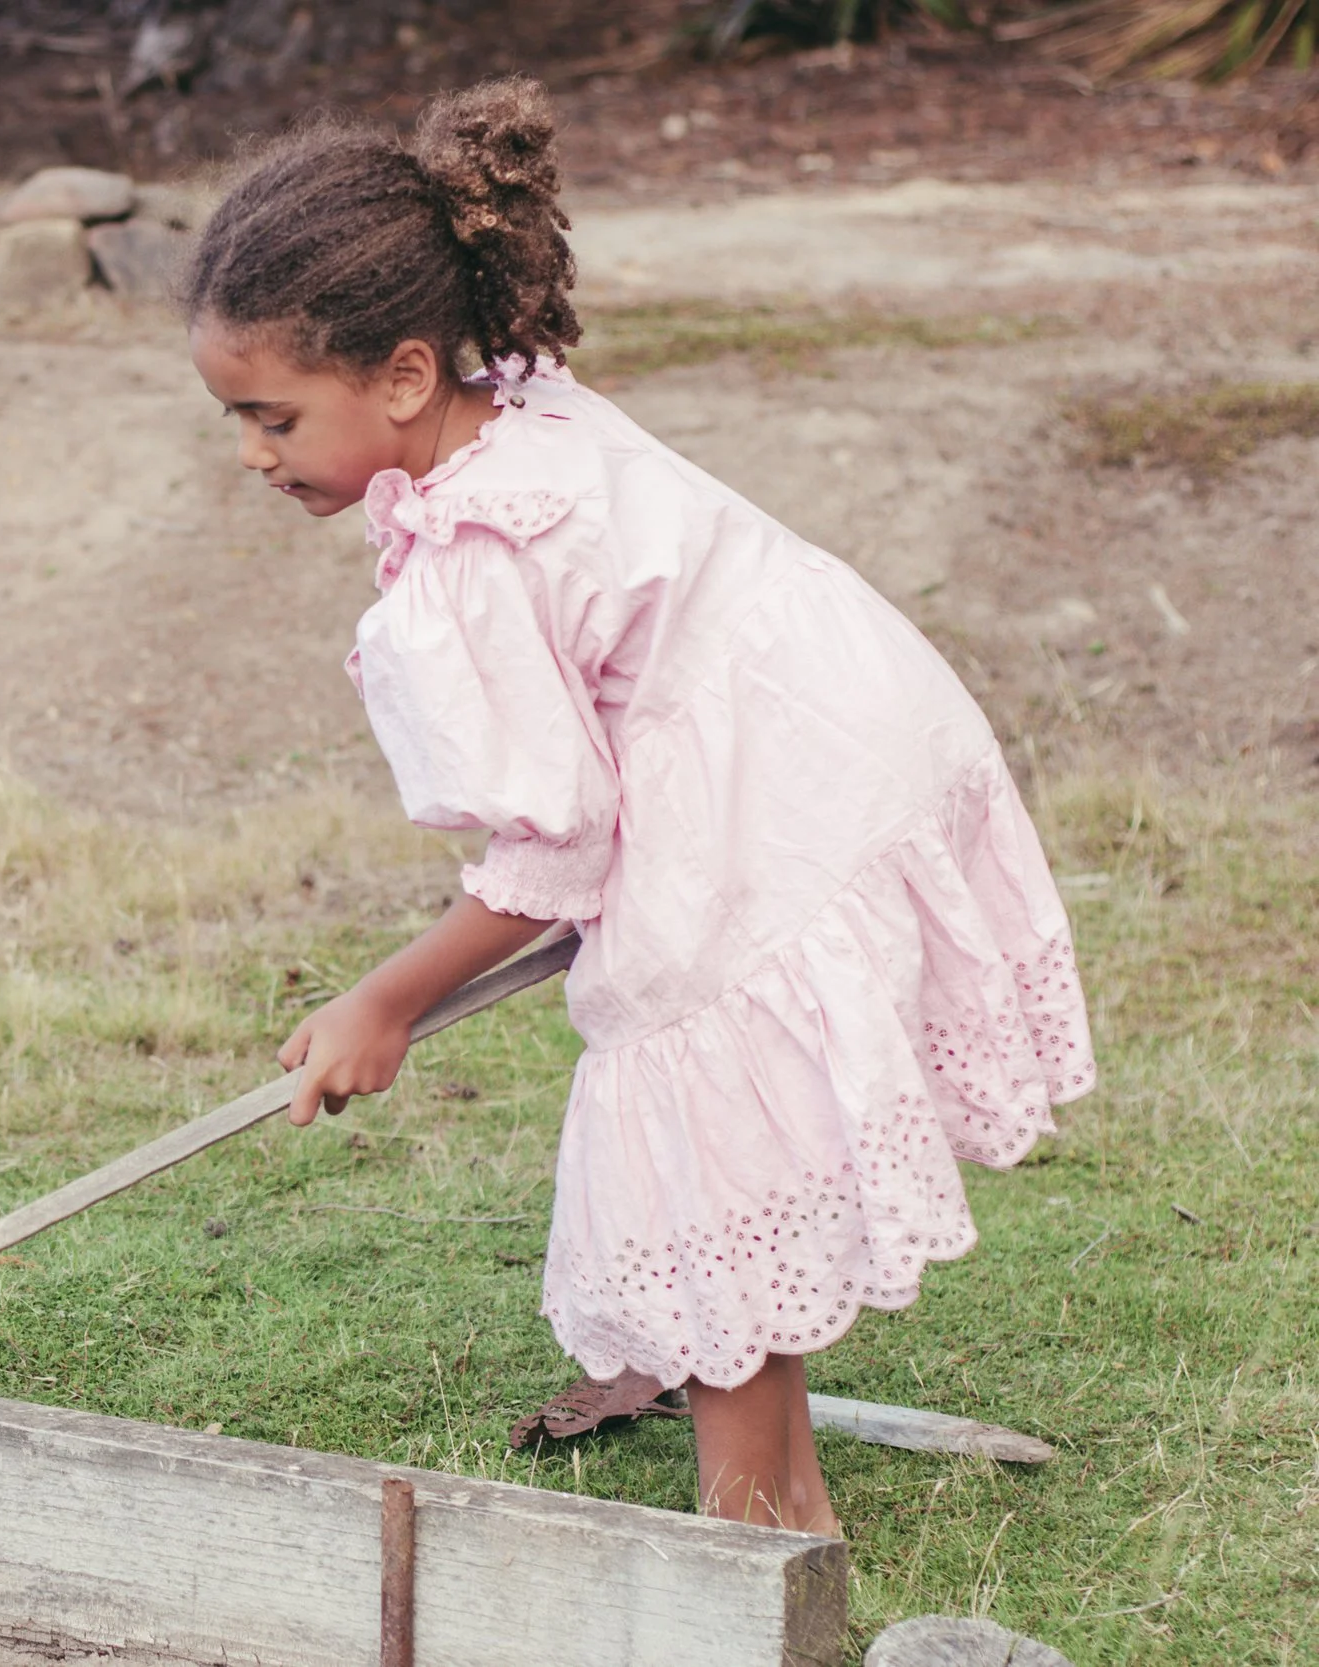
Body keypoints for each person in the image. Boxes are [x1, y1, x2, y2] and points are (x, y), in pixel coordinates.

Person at [182, 80, 1093, 1536]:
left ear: (406, 376)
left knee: (705, 1181)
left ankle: (746, 1555)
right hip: (834, 729)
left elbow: (557, 851)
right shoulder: (518, 414)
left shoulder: (474, 558)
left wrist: (387, 1001)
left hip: (769, 795)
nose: (251, 454)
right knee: (739, 1168)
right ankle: (788, 1517)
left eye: (271, 415)